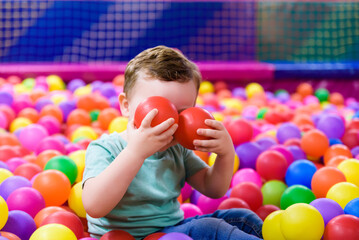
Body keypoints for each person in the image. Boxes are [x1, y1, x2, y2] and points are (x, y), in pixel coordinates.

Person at [82, 46, 263, 239]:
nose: (170, 123)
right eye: (159, 111)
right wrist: (136, 153)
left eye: (182, 113)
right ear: (126, 106)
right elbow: (94, 206)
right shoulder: (105, 148)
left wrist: (225, 153)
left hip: (171, 232)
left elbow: (214, 188)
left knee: (240, 217)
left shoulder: (177, 149)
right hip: (127, 237)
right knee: (209, 228)